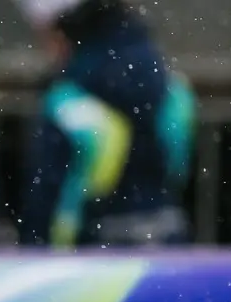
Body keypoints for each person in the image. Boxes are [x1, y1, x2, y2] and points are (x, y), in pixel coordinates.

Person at [16, 0, 195, 248]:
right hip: (167, 238)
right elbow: (178, 168)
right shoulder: (168, 85)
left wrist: (33, 247)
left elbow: (46, 198)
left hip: (88, 253)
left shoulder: (67, 100)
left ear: (62, 31)